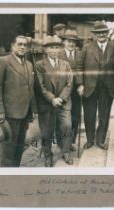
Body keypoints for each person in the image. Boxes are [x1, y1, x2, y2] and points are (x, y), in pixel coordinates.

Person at [0, 35, 36, 167]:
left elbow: (29, 88)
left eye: (25, 45)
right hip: (9, 114)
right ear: (12, 46)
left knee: (19, 148)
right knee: (8, 151)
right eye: (19, 44)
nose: (22, 47)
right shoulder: (2, 61)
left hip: (24, 113)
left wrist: (33, 110)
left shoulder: (29, 64)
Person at [77, 21, 114, 150]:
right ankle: (90, 140)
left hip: (107, 87)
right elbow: (79, 67)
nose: (101, 34)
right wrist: (80, 84)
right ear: (95, 35)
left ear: (107, 33)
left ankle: (100, 140)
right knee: (89, 115)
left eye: (103, 32)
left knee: (104, 114)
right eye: (98, 33)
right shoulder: (87, 47)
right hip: (89, 86)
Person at [35, 35, 73, 167]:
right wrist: (52, 99)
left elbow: (69, 83)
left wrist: (61, 99)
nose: (54, 51)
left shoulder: (65, 64)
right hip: (47, 103)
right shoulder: (40, 65)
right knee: (47, 130)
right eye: (51, 48)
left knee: (67, 126)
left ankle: (66, 152)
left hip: (64, 102)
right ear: (46, 50)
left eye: (56, 48)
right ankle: (48, 156)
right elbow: (41, 86)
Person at [58, 29, 82, 152]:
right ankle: (61, 142)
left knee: (75, 117)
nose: (71, 44)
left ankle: (71, 141)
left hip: (76, 90)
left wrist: (81, 84)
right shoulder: (58, 54)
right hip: (62, 90)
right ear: (64, 42)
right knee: (62, 117)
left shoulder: (80, 54)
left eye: (73, 41)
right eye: (69, 41)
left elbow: (82, 70)